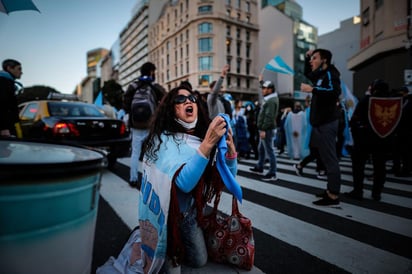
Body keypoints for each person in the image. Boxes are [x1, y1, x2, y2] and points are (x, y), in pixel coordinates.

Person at [138, 85, 239, 273]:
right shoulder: (163, 140)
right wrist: (208, 144)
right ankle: (159, 240)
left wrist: (231, 153)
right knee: (166, 267)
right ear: (171, 109)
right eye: (180, 100)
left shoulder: (199, 140)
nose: (188, 101)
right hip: (166, 216)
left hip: (189, 215)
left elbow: (226, 180)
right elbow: (184, 184)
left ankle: (177, 244)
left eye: (192, 98)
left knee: (199, 260)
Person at [301, 48, 342, 206]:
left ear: (324, 60)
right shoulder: (320, 75)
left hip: (327, 123)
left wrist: (313, 89)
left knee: (330, 159)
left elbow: (334, 91)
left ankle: (333, 195)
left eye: (315, 58)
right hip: (320, 123)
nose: (312, 61)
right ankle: (330, 189)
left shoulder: (331, 73)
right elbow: (308, 73)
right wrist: (306, 57)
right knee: (324, 158)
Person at [345, 80, 397, 201]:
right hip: (383, 140)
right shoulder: (392, 103)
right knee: (380, 166)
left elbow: (354, 120)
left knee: (359, 166)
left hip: (364, 139)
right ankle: (376, 193)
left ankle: (358, 191)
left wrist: (356, 135)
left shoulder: (367, 100)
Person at [123, 62, 166, 187]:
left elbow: (125, 103)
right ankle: (153, 180)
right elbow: (165, 99)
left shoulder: (133, 85)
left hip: (136, 126)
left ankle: (133, 179)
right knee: (153, 152)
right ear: (152, 72)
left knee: (135, 153)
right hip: (150, 125)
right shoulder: (154, 86)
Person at [250, 76, 279, 181]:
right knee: (261, 149)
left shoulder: (271, 101)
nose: (262, 90)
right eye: (262, 88)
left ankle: (272, 172)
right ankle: (259, 167)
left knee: (269, 151)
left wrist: (263, 129)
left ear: (270, 90)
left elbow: (269, 117)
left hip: (267, 129)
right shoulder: (270, 98)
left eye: (265, 88)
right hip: (265, 128)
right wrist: (261, 81)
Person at [0, 59, 22, 138]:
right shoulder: (4, 82)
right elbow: (2, 104)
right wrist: (4, 127)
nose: (21, 72)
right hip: (5, 129)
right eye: (19, 69)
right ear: (9, 68)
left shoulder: (7, 82)